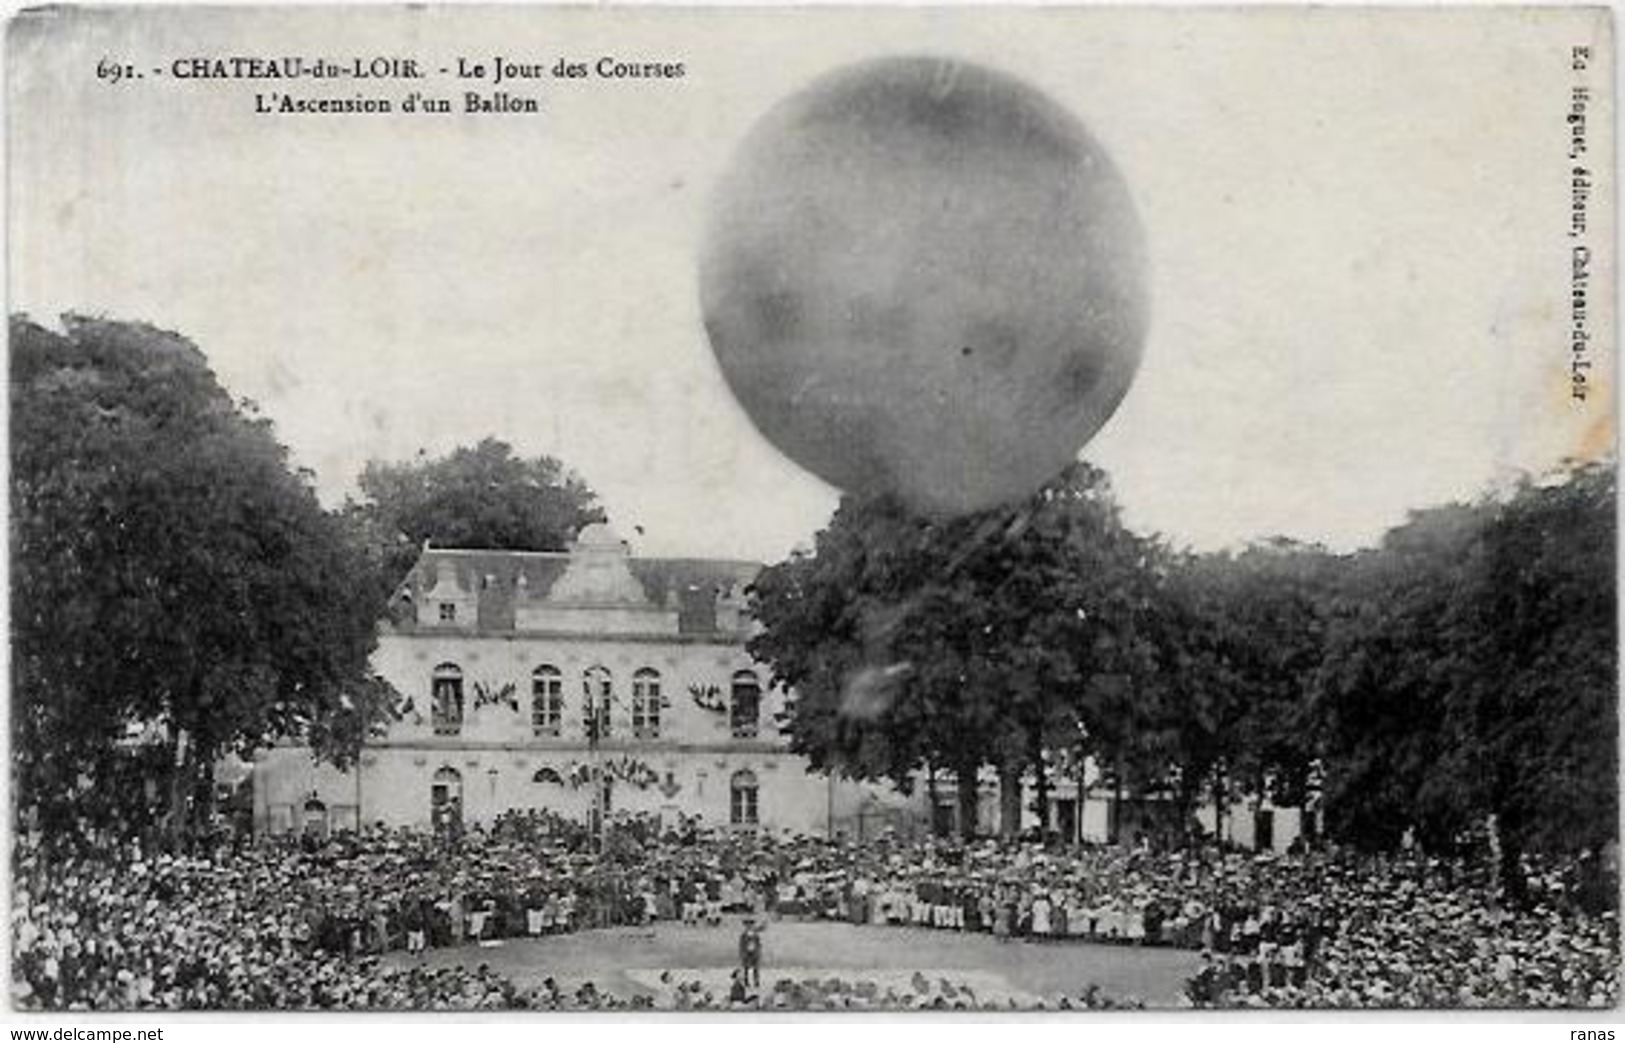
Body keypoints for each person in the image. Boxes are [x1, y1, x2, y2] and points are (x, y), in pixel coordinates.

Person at [738, 918, 762, 987]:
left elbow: (758, 943)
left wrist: (758, 951)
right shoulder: (743, 935)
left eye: (750, 924)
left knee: (756, 968)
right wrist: (742, 954)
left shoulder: (756, 935)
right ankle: (746, 981)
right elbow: (741, 945)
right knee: (746, 968)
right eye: (747, 924)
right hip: (746, 953)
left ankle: (756, 981)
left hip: (754, 953)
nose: (749, 926)